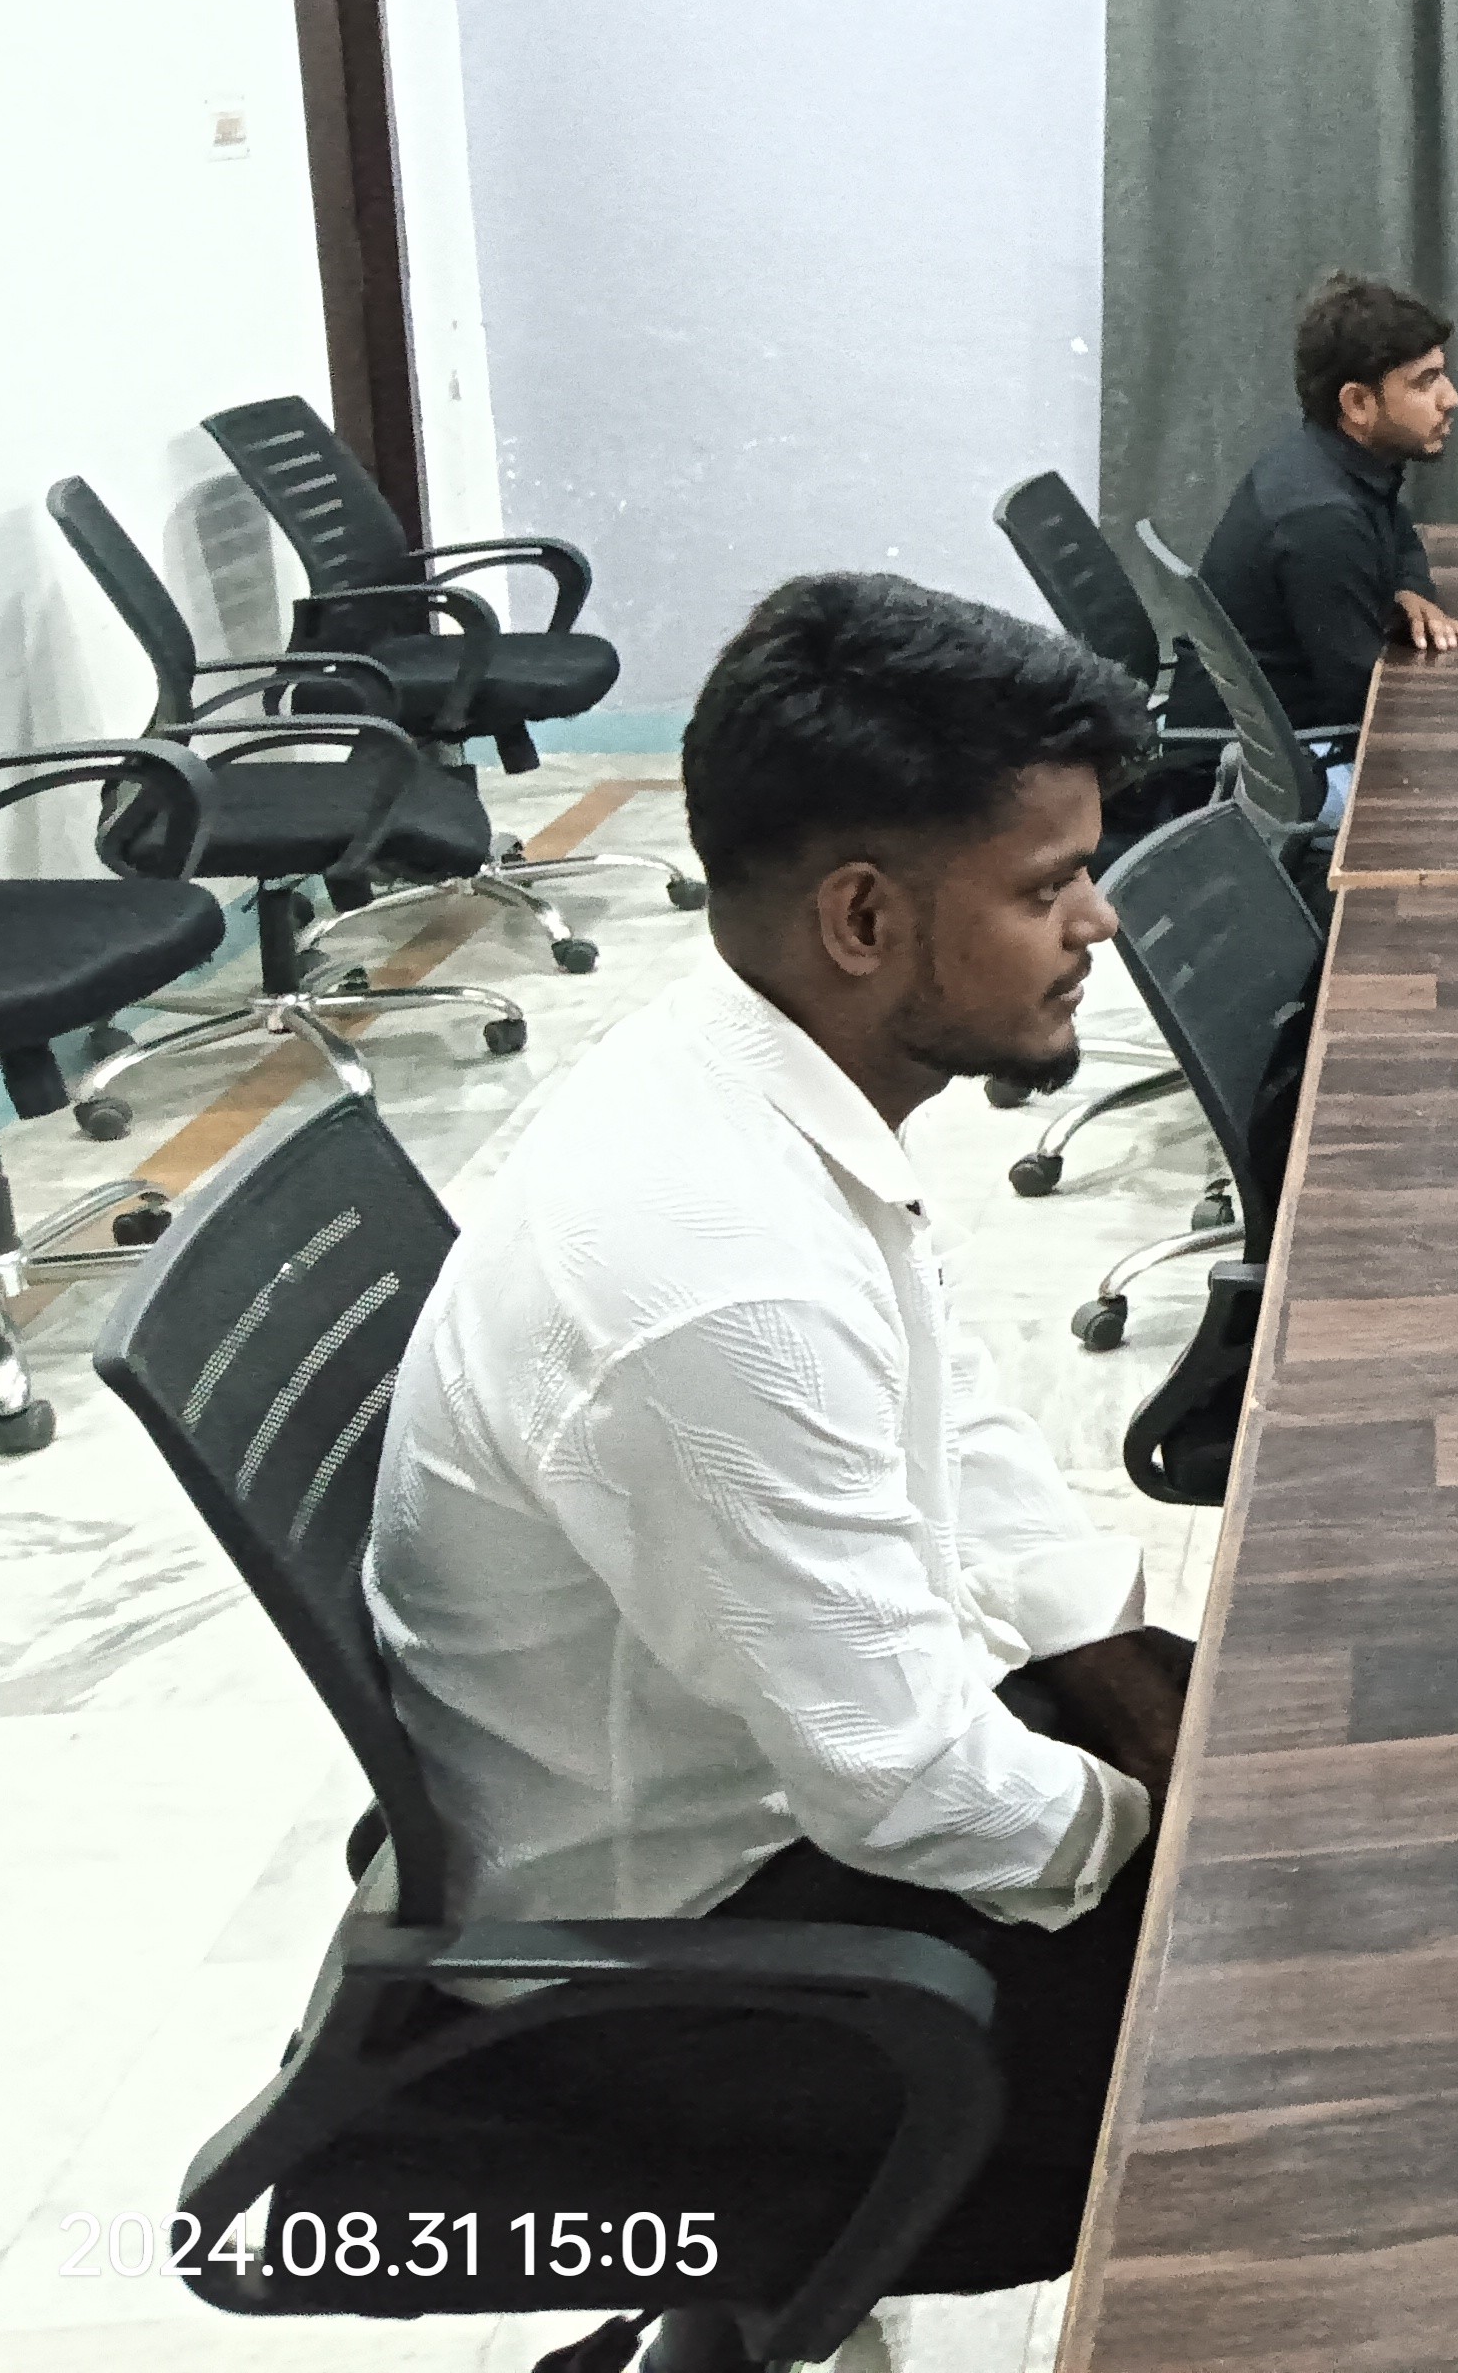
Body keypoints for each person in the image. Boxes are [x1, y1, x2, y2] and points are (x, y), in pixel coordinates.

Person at [365, 572, 1191, 2293]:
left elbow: (954, 1421)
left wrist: (1136, 1674)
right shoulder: (715, 1270)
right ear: (867, 920)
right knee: (1311, 2057)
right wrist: (1193, 1866)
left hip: (742, 1816)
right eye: (1048, 886)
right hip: (680, 1964)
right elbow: (898, 1781)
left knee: (1283, 1769)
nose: (1097, 923)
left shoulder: (748, 1069)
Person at [1201, 268, 1458, 735]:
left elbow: (1402, 536)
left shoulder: (1340, 465)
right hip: (1280, 765)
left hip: (1292, 737)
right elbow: (1363, 704)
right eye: (1425, 382)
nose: (1451, 399)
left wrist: (1407, 590)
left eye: (1442, 374)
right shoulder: (1322, 519)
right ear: (1358, 405)